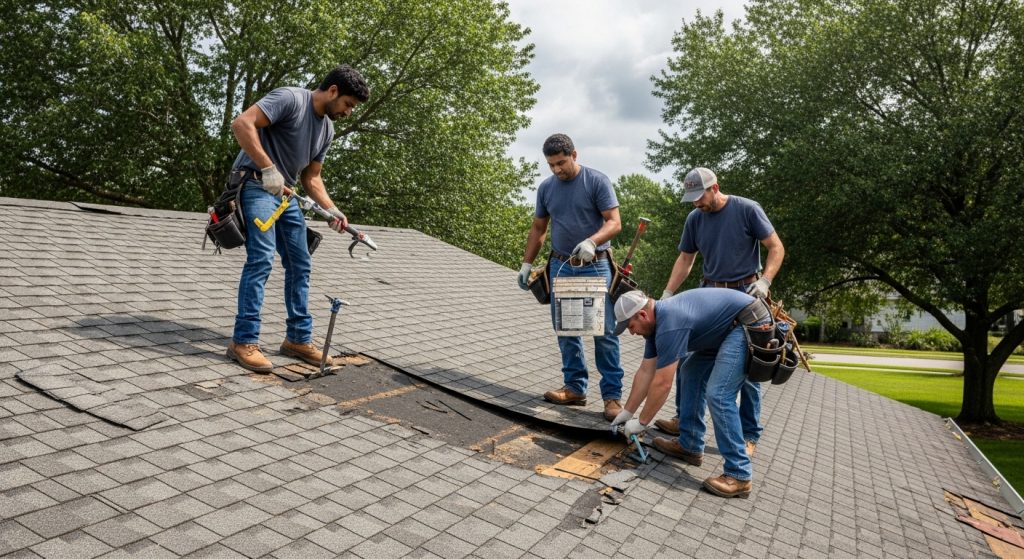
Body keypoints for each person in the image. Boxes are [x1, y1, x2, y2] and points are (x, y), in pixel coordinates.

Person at [226, 65, 371, 373]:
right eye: (348, 104)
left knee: (300, 261)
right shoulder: (290, 99)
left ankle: (297, 339)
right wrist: (268, 168)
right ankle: (243, 341)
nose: (348, 112)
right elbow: (242, 124)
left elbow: (312, 178)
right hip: (254, 183)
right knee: (262, 258)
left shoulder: (327, 130)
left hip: (285, 194)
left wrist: (332, 209)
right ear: (333, 91)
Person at [656, 167, 784, 458]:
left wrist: (765, 281)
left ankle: (748, 435)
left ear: (715, 188)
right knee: (689, 362)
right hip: (710, 295)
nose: (696, 204)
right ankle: (687, 428)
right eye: (691, 199)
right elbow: (686, 258)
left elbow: (776, 247)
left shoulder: (747, 209)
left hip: (746, 296)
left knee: (747, 371)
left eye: (699, 197)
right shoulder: (694, 219)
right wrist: (667, 294)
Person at [610, 289, 772, 498]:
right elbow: (645, 372)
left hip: (747, 324)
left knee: (719, 395)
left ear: (642, 315)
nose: (632, 332)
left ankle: (739, 474)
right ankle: (691, 444)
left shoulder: (670, 324)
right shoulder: (655, 325)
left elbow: (662, 383)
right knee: (690, 371)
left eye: (630, 326)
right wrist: (627, 412)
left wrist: (642, 422)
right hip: (724, 328)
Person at [517, 134, 625, 421]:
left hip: (596, 264)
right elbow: (539, 228)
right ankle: (575, 388)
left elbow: (614, 222)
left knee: (605, 332)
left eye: (561, 163)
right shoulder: (547, 188)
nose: (556, 170)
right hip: (561, 265)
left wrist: (592, 241)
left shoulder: (596, 181)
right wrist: (527, 264)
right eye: (551, 165)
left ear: (574, 155)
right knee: (567, 329)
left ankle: (612, 397)